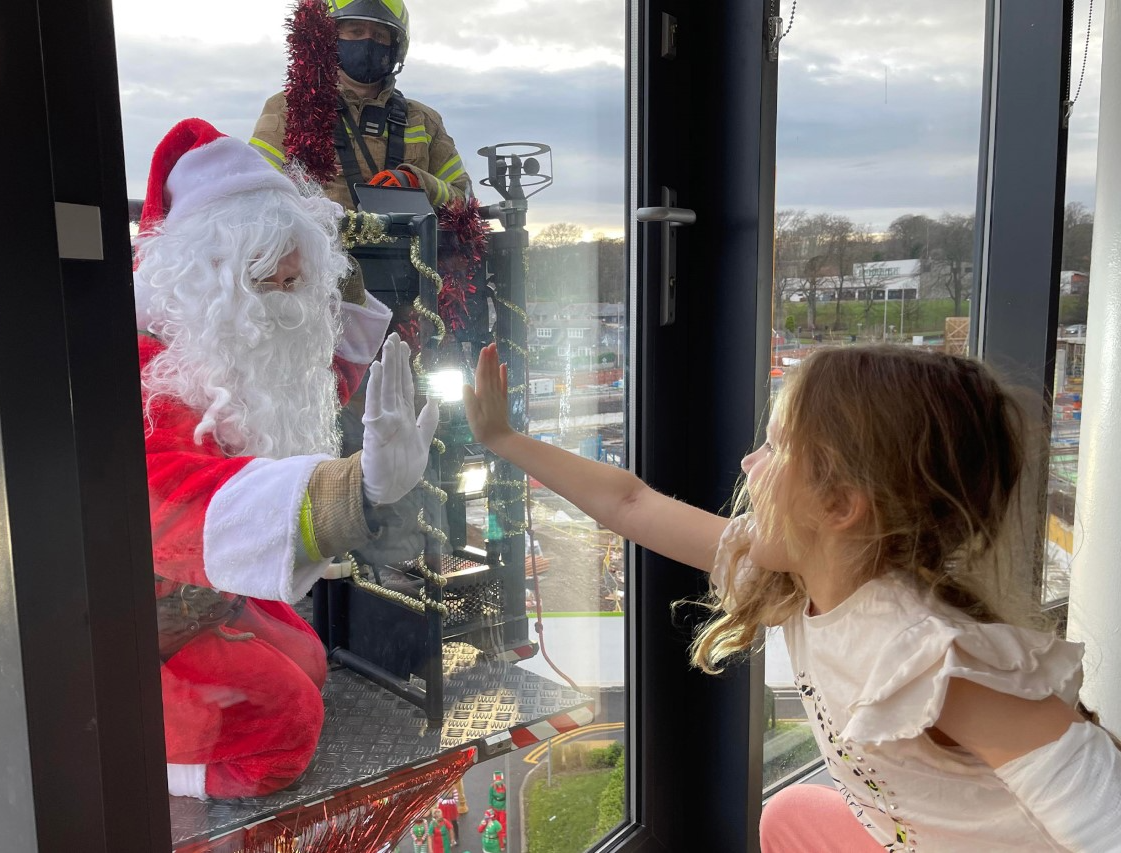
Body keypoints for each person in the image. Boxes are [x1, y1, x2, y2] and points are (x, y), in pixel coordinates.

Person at [462, 342, 1121, 851]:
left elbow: (1105, 814)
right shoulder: (798, 576)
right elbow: (630, 502)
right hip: (909, 835)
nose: (748, 463)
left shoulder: (925, 657)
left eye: (775, 447)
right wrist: (506, 440)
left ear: (838, 504)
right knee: (788, 813)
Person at [134, 117, 439, 800]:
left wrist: (346, 321)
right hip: (137, 623)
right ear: (206, 274)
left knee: (311, 660)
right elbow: (182, 503)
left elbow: (294, 389)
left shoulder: (228, 338)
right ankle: (152, 777)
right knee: (286, 728)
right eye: (269, 270)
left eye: (296, 263)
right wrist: (352, 490)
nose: (293, 280)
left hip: (204, 600)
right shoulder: (152, 371)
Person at [251, 0, 472, 213]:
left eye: (379, 35)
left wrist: (416, 181)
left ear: (395, 47)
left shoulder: (424, 120)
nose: (368, 42)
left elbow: (465, 199)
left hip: (406, 251)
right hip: (320, 250)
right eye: (355, 31)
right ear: (330, 40)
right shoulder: (289, 108)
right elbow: (252, 191)